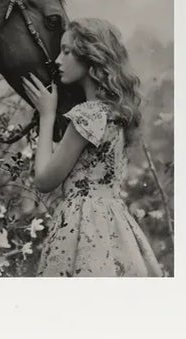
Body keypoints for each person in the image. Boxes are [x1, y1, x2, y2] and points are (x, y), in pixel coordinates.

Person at [17, 19, 169, 278]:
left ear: (91, 57)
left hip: (81, 225)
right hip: (113, 224)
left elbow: (44, 181)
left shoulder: (87, 116)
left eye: (66, 51)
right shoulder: (115, 113)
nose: (57, 60)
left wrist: (46, 114)